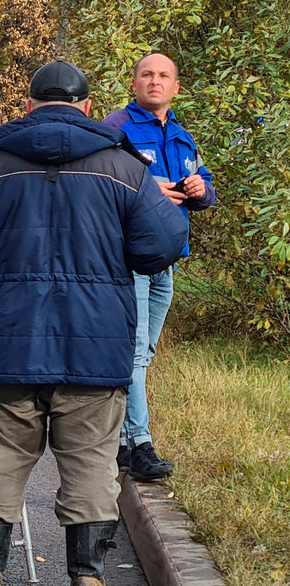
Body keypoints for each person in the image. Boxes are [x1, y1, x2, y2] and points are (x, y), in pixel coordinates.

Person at [0, 61, 187, 586]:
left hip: (9, 346)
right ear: (88, 108)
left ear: (27, 105)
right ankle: (87, 575)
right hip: (97, 347)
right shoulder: (125, 167)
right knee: (91, 466)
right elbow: (162, 246)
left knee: (0, 459)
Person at [102, 53, 215, 482]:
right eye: (147, 75)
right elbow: (97, 183)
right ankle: (141, 444)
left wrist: (201, 188)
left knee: (141, 356)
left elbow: (206, 195)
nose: (155, 81)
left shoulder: (183, 137)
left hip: (168, 262)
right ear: (134, 84)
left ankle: (118, 443)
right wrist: (145, 189)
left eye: (163, 76)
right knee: (133, 354)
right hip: (129, 259)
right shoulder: (116, 130)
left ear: (175, 87)